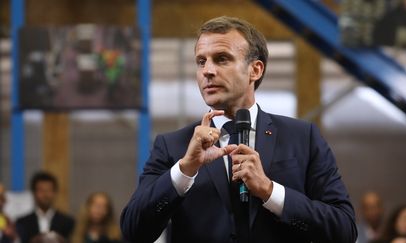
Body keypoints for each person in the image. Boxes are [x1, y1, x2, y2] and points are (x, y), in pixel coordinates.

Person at [120, 16, 357, 243]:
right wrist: (184, 170)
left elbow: (344, 229)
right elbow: (133, 230)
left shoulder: (303, 137)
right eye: (201, 61)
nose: (207, 71)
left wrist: (269, 191)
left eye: (222, 59)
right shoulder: (173, 146)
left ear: (255, 70)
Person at [16, 171, 75, 243]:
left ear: (55, 192)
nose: (45, 194)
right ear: (34, 193)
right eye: (41, 190)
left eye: (49, 190)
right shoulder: (22, 223)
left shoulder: (68, 222)